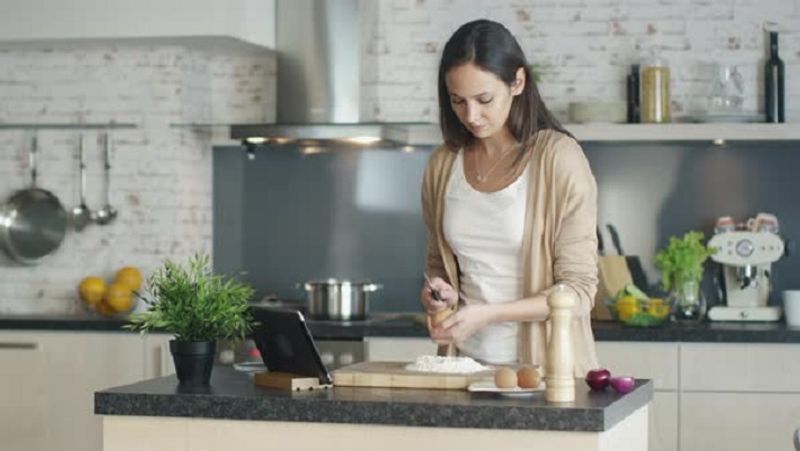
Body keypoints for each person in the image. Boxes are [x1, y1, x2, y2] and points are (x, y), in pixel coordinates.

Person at [420, 19, 599, 376]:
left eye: (484, 99)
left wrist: (490, 314)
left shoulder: (558, 159)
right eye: (458, 101)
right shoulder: (443, 165)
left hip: (545, 372)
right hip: (462, 368)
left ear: (517, 82)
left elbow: (579, 291)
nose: (471, 116)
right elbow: (439, 267)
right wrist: (438, 295)